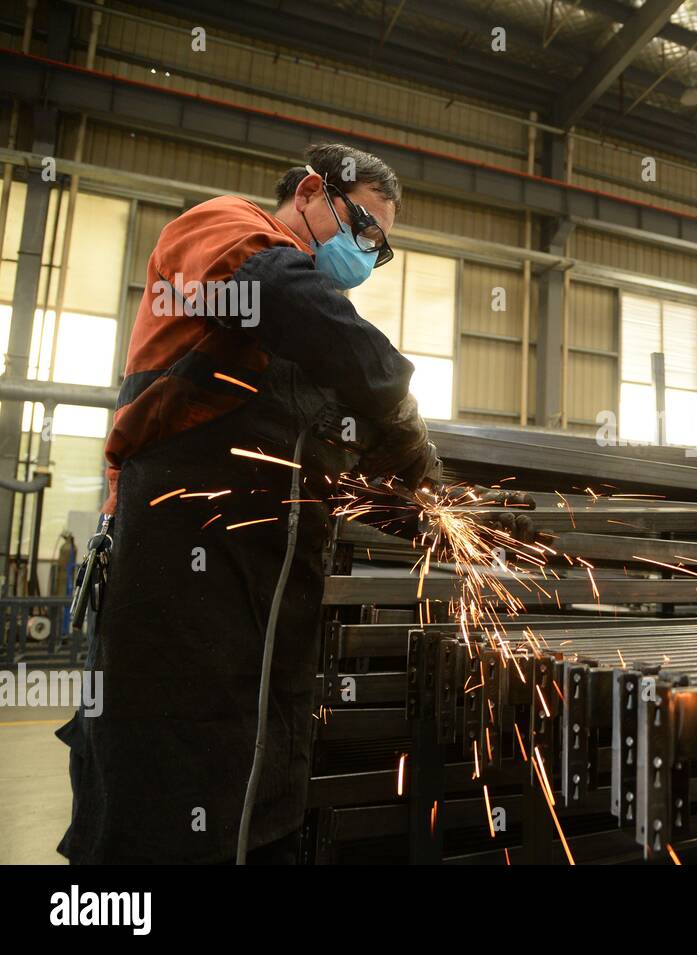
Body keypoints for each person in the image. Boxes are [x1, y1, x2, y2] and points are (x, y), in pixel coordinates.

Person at [58, 143, 449, 863]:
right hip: (176, 583)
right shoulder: (221, 230)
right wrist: (393, 390)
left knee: (257, 801)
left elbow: (342, 453)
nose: (366, 252)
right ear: (309, 191)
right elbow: (277, 290)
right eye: (361, 227)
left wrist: (421, 502)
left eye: (378, 248)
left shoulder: (315, 339)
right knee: (163, 797)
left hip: (268, 617)